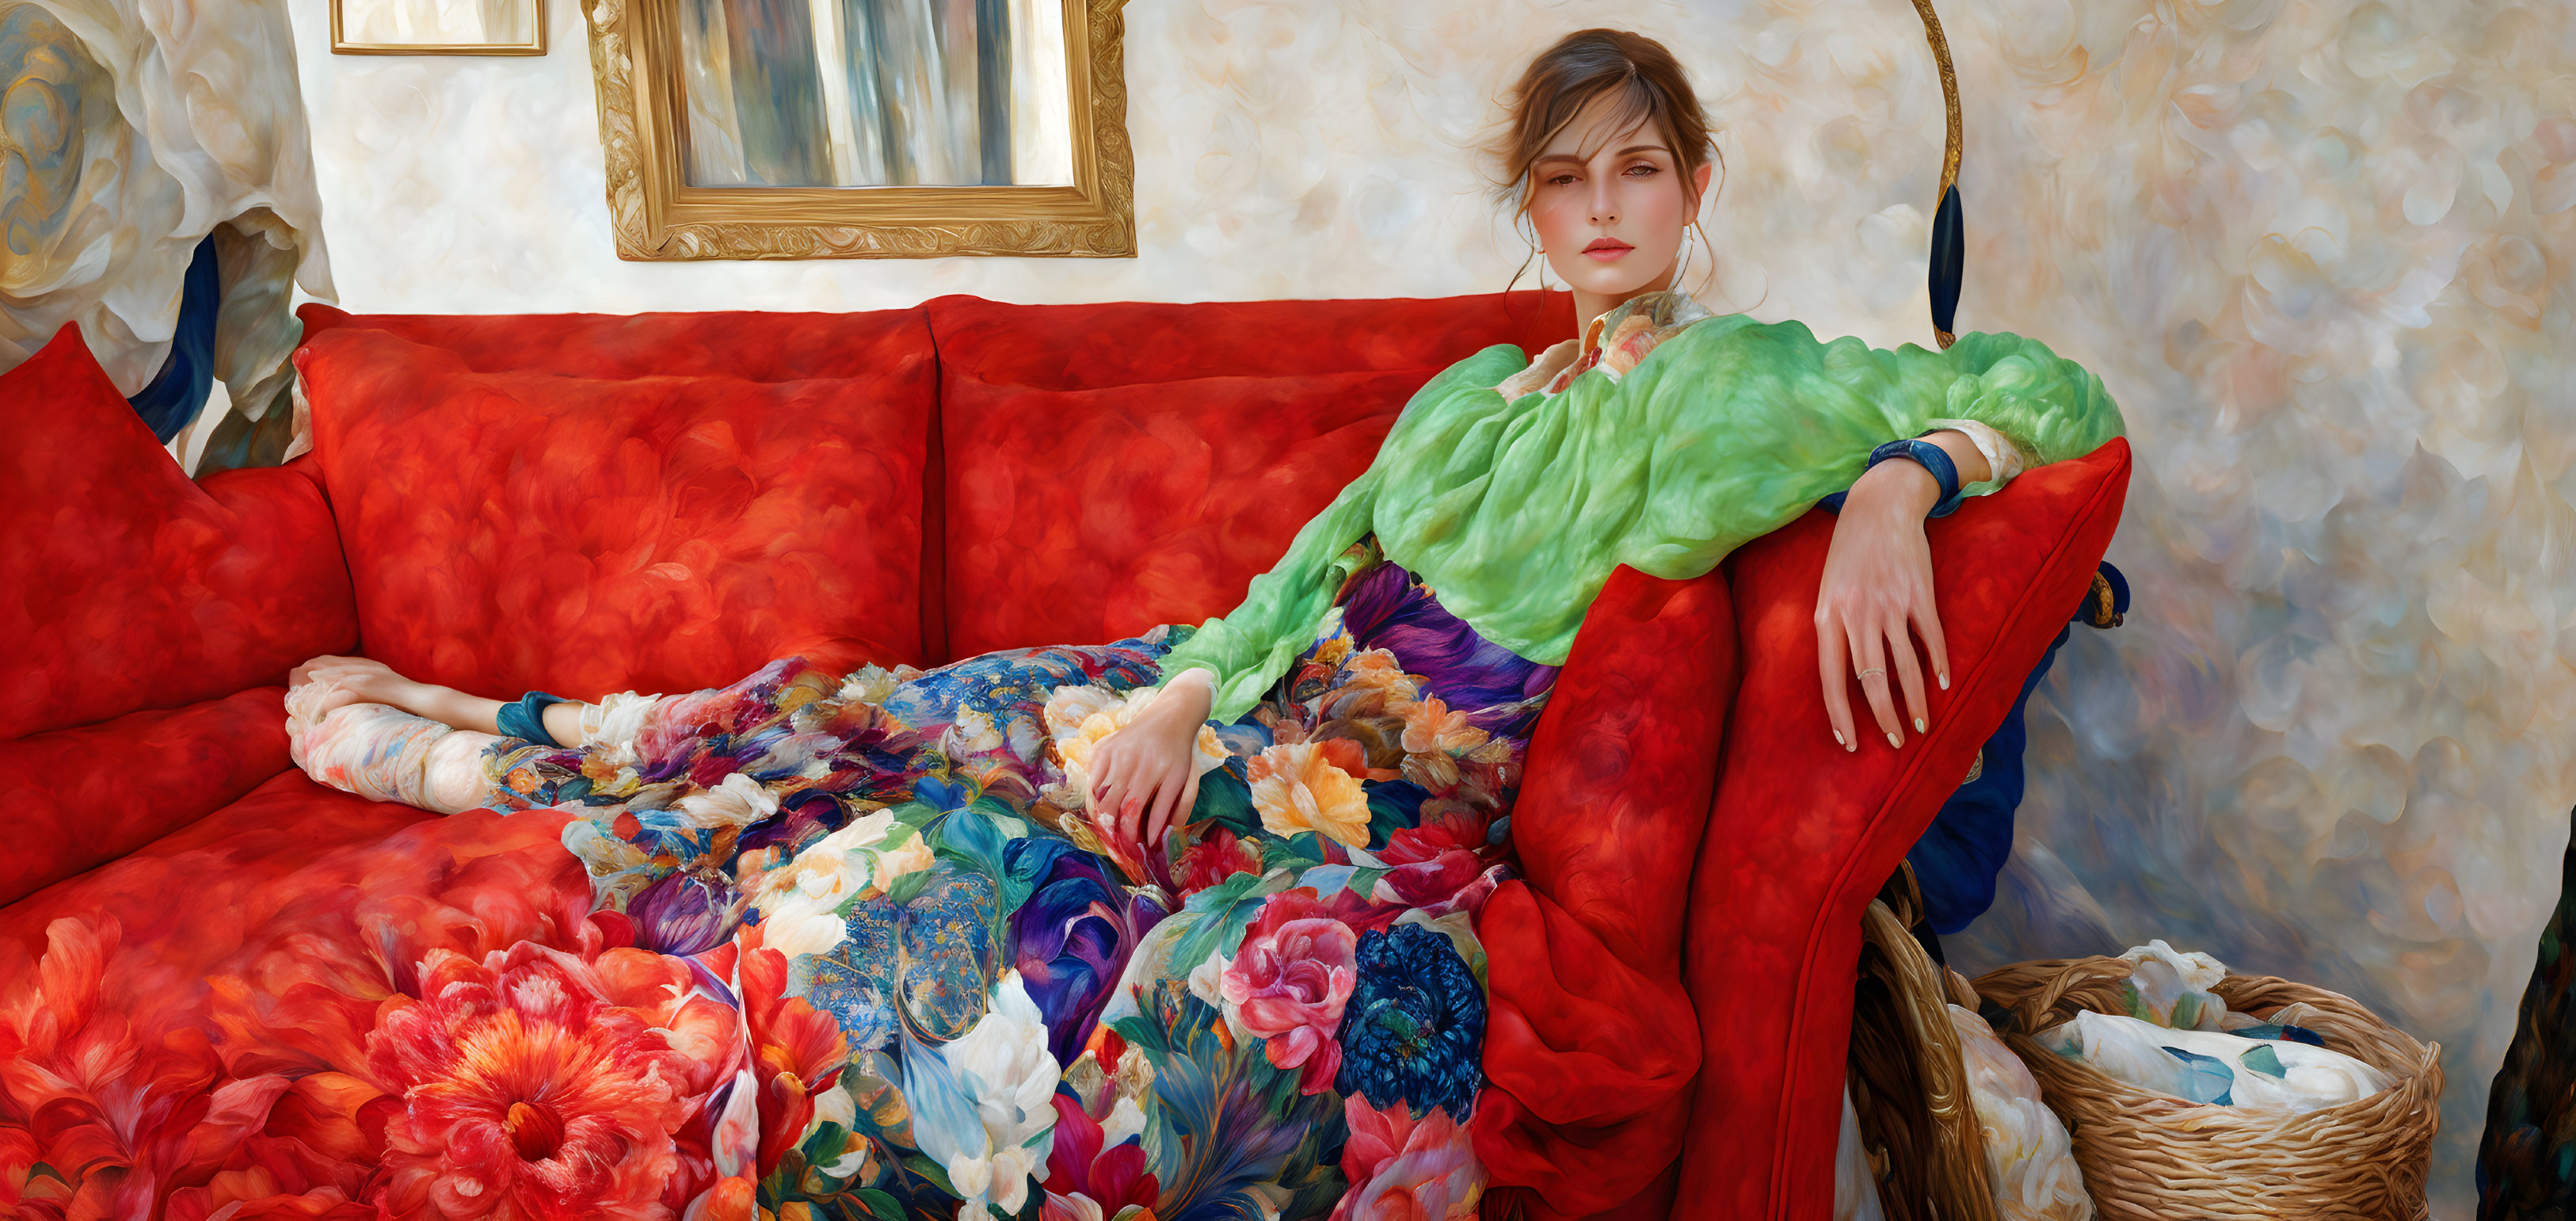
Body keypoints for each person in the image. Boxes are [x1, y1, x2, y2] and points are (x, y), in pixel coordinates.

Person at [284, 28, 2123, 1220]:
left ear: (1694, 185)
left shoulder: (1742, 388)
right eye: (1568, 178)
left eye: (1637, 168)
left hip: (1357, 803)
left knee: (900, 849)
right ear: (1536, 208)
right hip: (1236, 704)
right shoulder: (1476, 398)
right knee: (888, 702)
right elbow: (1307, 569)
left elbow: (2052, 394)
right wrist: (1179, 694)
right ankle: (504, 735)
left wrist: (1908, 475)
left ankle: (500, 774)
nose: (1603, 206)